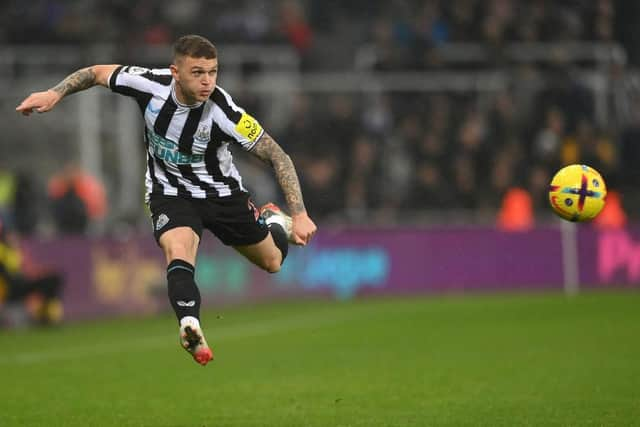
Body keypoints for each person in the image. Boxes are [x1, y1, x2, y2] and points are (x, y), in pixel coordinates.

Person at [16, 35, 317, 366]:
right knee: (178, 250)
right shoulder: (148, 84)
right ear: (175, 72)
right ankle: (190, 324)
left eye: (213, 72)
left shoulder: (224, 112)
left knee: (272, 262)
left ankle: (272, 220)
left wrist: (299, 214)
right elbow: (96, 73)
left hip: (222, 196)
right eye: (198, 72)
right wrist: (54, 92)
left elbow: (278, 156)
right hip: (170, 193)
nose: (207, 81)